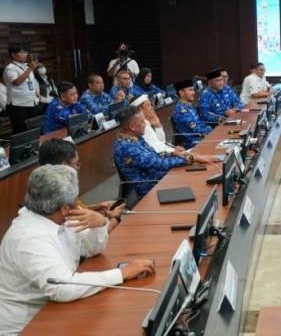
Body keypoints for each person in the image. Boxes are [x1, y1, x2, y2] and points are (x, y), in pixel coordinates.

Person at [0, 164, 155, 334]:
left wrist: (99, 223)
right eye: (76, 198)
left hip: (52, 308)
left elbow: (90, 249)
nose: (78, 202)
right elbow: (62, 287)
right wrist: (121, 274)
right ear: (65, 208)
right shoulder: (29, 238)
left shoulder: (57, 216)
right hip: (26, 325)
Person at [38, 138, 125, 232]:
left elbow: (75, 212)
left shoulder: (41, 186)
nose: (78, 168)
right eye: (76, 164)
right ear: (64, 166)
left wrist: (95, 207)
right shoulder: (62, 195)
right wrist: (115, 218)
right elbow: (90, 238)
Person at [114, 106, 196, 198]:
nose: (145, 123)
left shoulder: (132, 136)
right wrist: (189, 159)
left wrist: (172, 153)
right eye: (142, 121)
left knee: (193, 174)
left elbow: (152, 156)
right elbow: (158, 163)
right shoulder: (126, 147)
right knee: (194, 181)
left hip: (160, 179)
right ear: (132, 126)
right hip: (152, 190)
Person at [3, 43, 39, 134]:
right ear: (13, 55)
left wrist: (35, 92)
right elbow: (17, 82)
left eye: (25, 52)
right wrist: (30, 69)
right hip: (18, 104)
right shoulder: (10, 68)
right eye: (21, 52)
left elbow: (30, 82)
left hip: (31, 102)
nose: (25, 54)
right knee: (20, 131)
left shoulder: (26, 66)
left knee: (32, 129)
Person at [172, 78, 213, 149]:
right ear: (181, 93)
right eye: (190, 90)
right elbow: (196, 129)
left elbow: (199, 123)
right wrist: (211, 129)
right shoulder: (181, 110)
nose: (194, 92)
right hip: (194, 143)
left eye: (193, 90)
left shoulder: (190, 105)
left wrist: (209, 129)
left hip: (202, 138)